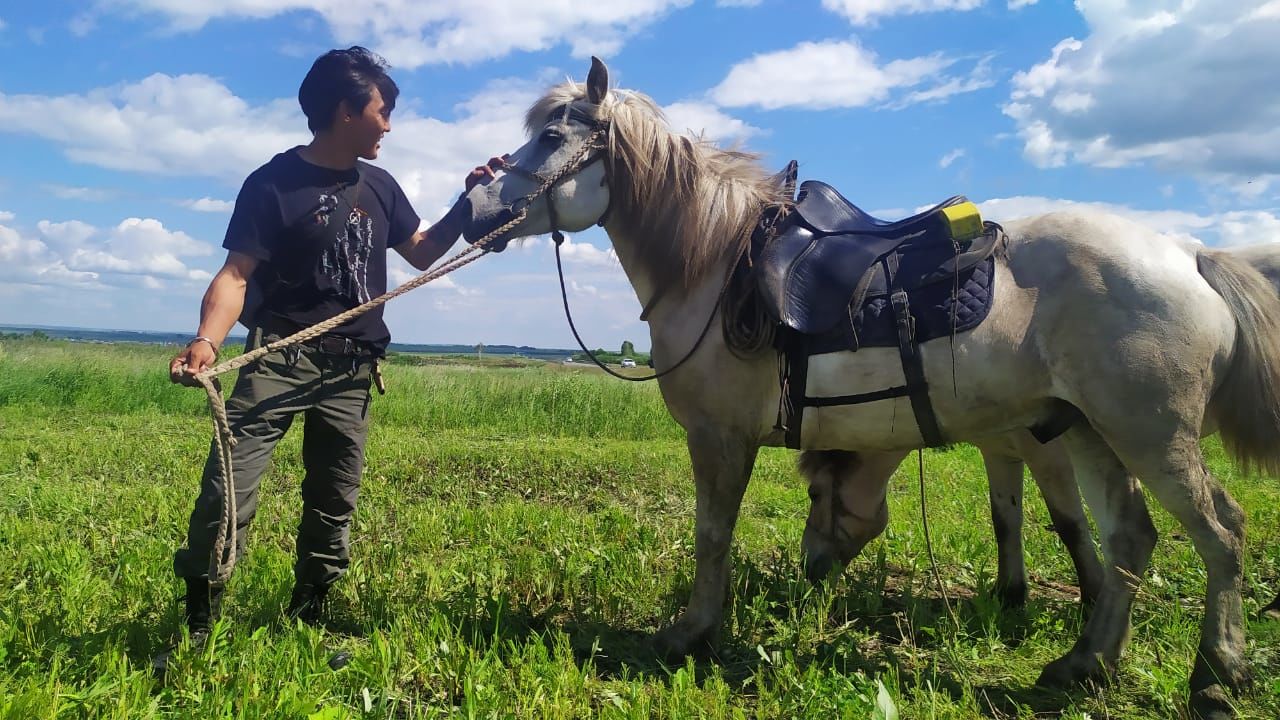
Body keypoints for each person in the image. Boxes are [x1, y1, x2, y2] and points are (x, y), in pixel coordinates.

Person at [157, 46, 492, 669]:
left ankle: (310, 616)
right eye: (382, 109)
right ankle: (197, 626)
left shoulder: (382, 186)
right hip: (278, 357)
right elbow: (235, 275)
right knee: (228, 490)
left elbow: (422, 251)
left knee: (335, 497)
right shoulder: (272, 182)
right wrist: (207, 339)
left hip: (353, 367)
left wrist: (468, 201)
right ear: (345, 111)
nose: (388, 124)